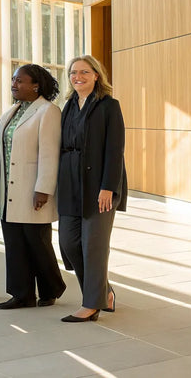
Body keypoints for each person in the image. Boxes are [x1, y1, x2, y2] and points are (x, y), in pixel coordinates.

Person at [57, 56, 127, 323]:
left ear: (97, 75)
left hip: (99, 183)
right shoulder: (69, 106)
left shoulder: (109, 106)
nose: (78, 76)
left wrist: (108, 186)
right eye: (73, 72)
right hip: (70, 181)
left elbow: (115, 150)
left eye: (84, 72)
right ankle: (104, 292)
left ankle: (91, 304)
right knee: (69, 242)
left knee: (93, 246)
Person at [0, 64, 65, 310]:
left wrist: (44, 188)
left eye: (20, 81)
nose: (14, 84)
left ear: (36, 85)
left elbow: (49, 153)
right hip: (9, 190)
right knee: (14, 244)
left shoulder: (48, 111)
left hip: (32, 189)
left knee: (37, 243)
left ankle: (52, 288)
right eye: (13, 80)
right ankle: (21, 294)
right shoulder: (12, 111)